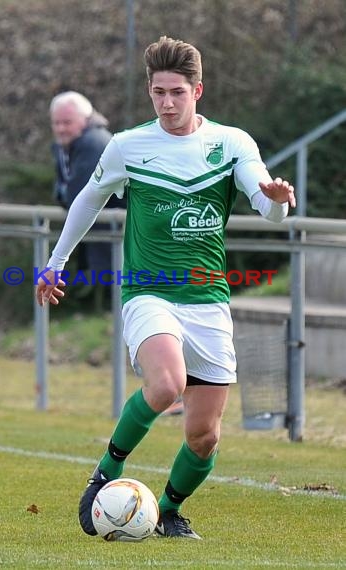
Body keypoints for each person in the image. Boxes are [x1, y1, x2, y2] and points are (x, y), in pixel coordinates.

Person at [36, 36, 296, 539]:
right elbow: (88, 201)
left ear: (199, 90)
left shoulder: (232, 143)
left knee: (204, 437)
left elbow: (268, 207)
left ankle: (170, 513)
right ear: (149, 91)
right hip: (148, 292)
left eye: (177, 92)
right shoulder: (128, 145)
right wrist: (56, 263)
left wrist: (279, 200)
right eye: (158, 92)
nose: (167, 103)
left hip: (208, 301)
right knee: (166, 384)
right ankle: (105, 473)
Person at [50, 91, 124, 305]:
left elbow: (77, 196)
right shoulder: (70, 144)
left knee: (122, 301)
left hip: (118, 233)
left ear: (85, 120)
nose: (61, 128)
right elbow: (64, 189)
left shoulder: (93, 143)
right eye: (56, 123)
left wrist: (65, 194)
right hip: (104, 231)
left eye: (67, 122)